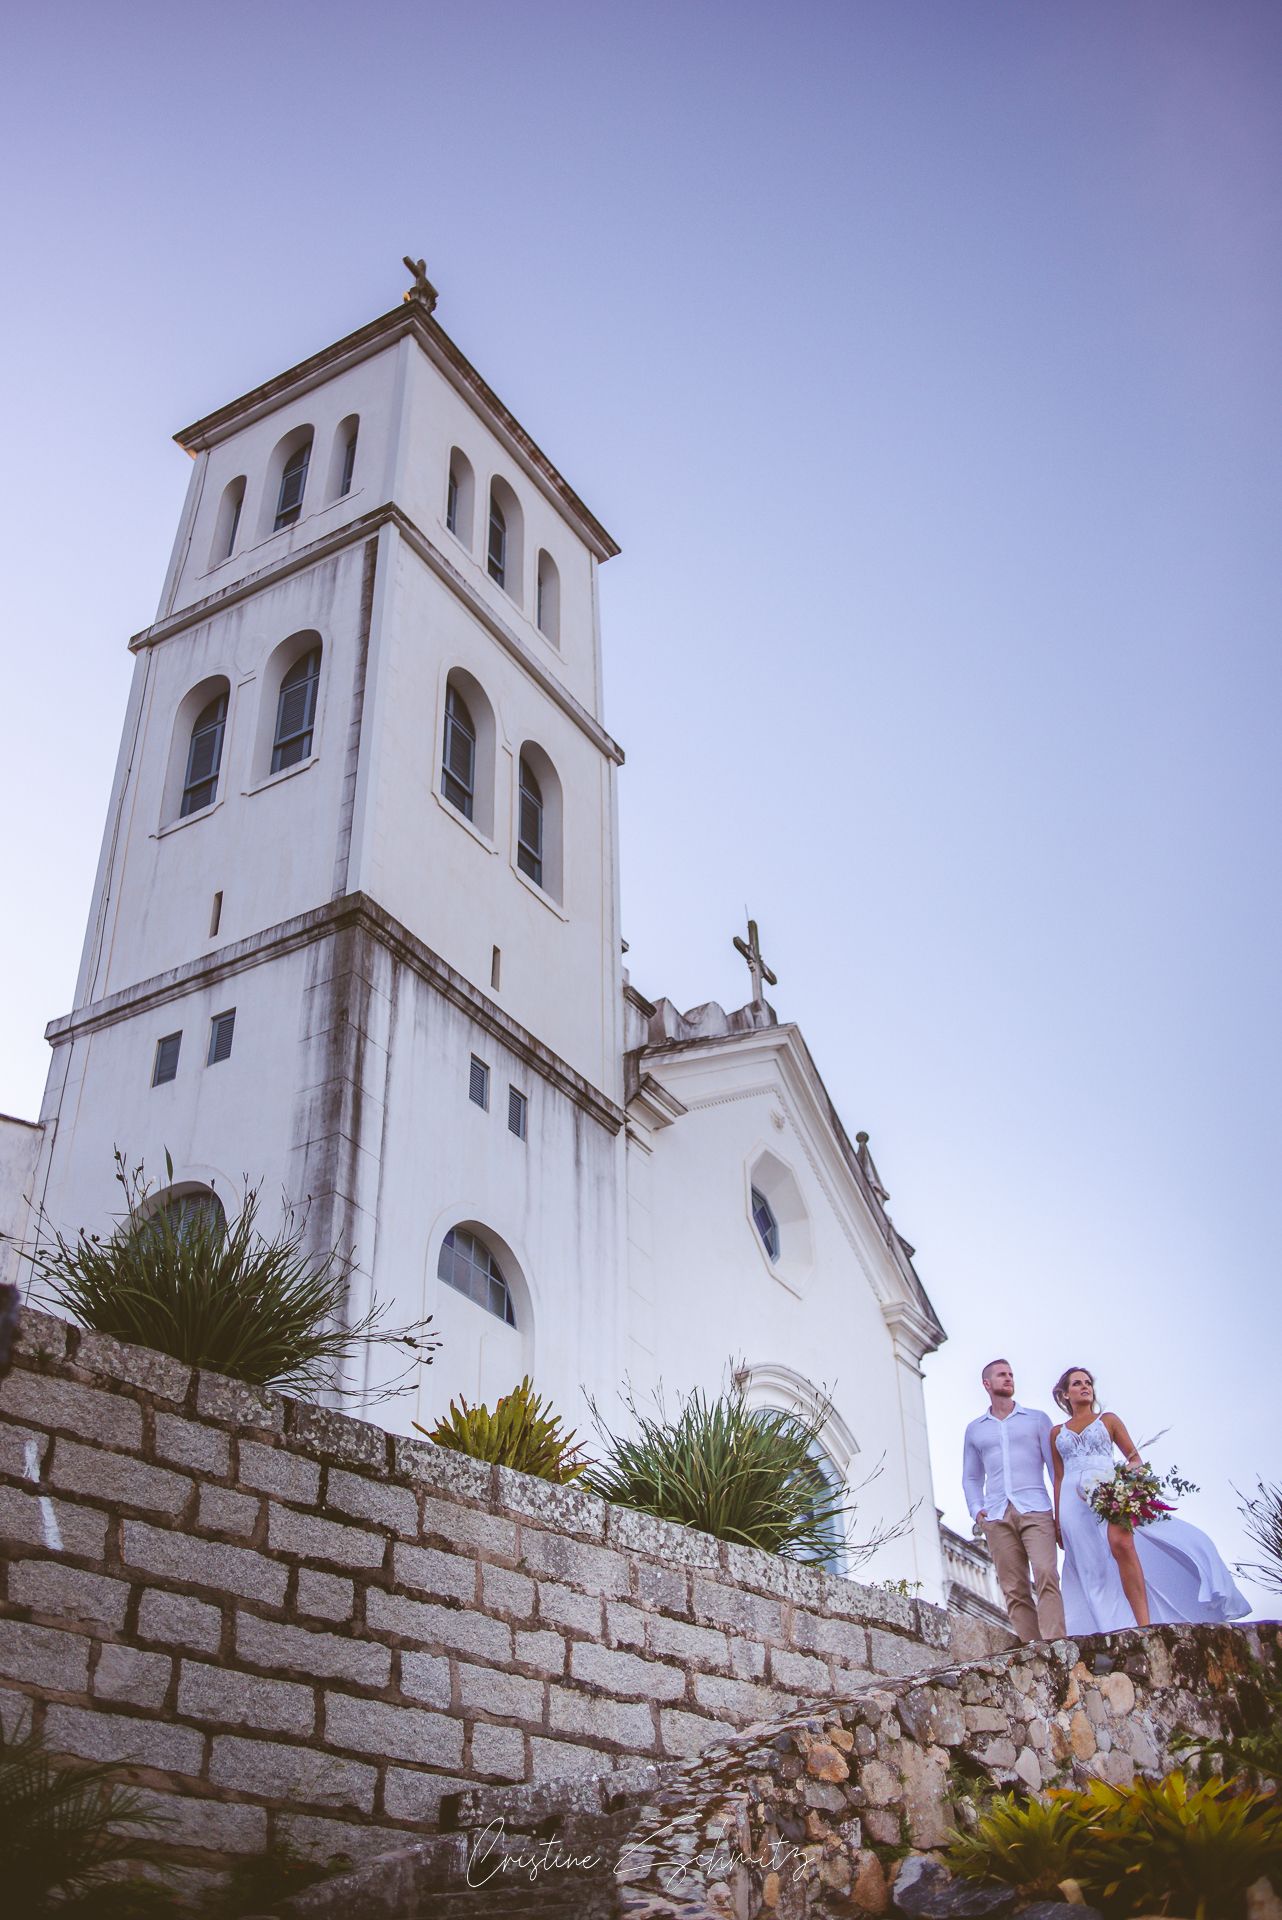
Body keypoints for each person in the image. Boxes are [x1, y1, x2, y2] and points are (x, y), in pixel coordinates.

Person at [1051, 1366, 1250, 1635]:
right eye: (1077, 1383)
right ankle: (1108, 1628)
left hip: (1109, 1493)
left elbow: (1135, 1459)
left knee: (1121, 1544)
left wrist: (1124, 1482)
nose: (1085, 1386)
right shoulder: (1056, 1433)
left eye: (1088, 1382)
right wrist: (1057, 1522)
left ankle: (1145, 1625)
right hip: (1072, 1507)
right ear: (1065, 1394)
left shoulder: (1107, 1420)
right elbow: (1059, 1477)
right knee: (1090, 1566)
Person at [962, 1358, 1066, 1643]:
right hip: (996, 1514)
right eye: (1001, 1375)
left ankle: (1054, 1642)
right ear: (987, 1384)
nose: (1008, 1378)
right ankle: (1033, 1648)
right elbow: (971, 1477)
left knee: (1046, 1573)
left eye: (1010, 1374)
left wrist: (1060, 1514)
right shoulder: (976, 1429)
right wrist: (977, 1511)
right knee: (1014, 1587)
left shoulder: (1037, 1420)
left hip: (1036, 1508)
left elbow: (1055, 1469)